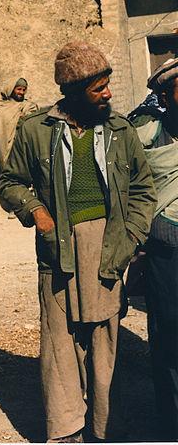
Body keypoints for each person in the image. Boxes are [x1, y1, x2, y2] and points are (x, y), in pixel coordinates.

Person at [0, 41, 156, 442]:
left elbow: (142, 189)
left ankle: (103, 429)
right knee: (60, 342)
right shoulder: (36, 130)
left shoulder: (121, 131)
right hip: (59, 248)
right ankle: (67, 428)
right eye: (98, 88)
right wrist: (36, 212)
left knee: (104, 341)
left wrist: (132, 235)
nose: (107, 94)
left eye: (108, 85)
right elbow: (10, 181)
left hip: (108, 247)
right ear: (72, 92)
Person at [129, 57, 178, 440]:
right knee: (170, 335)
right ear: (165, 95)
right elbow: (132, 189)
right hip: (166, 247)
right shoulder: (146, 134)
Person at [0, 77, 39, 216]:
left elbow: (32, 121)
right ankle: (14, 206)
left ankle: (32, 207)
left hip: (23, 147)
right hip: (6, 149)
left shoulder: (28, 105)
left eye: (23, 90)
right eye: (18, 89)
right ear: (11, 90)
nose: (21, 92)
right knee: (10, 177)